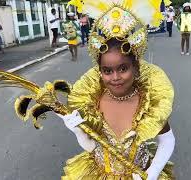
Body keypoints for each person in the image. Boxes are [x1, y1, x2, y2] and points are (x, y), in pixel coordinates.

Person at [56, 1, 175, 179]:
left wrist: (152, 173)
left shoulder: (149, 102)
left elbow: (167, 140)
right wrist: (80, 134)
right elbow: (95, 147)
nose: (115, 77)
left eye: (123, 68)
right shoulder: (92, 101)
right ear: (100, 71)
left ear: (136, 68)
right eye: (107, 71)